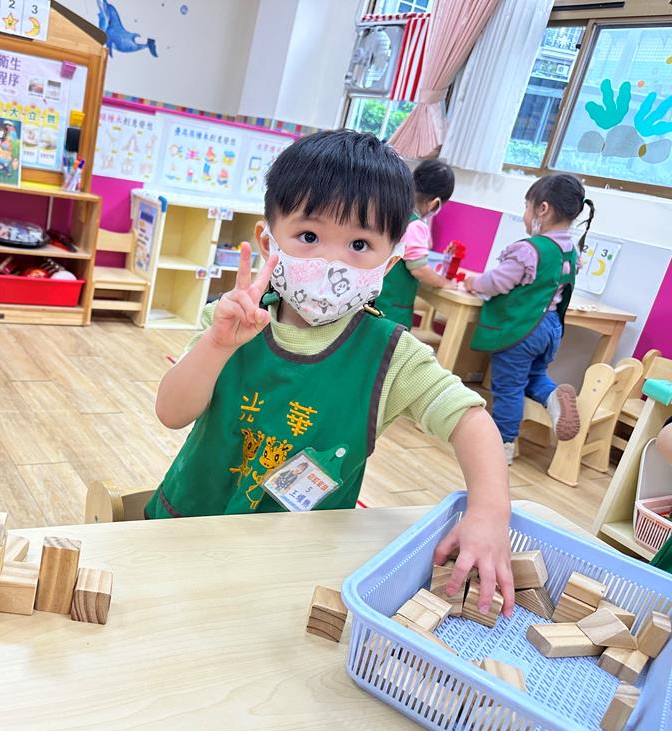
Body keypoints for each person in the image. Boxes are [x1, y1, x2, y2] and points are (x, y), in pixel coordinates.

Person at [148, 129, 515, 614]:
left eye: (360, 243)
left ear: (390, 262)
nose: (331, 261)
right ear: (268, 241)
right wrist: (215, 347)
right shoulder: (229, 320)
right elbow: (171, 413)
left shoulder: (392, 355)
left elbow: (471, 420)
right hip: (186, 532)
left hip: (294, 565)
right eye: (308, 237)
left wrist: (489, 513)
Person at [465, 174, 594, 465]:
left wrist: (475, 283)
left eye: (527, 206)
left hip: (522, 330)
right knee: (534, 377)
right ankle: (553, 399)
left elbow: (499, 282)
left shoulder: (530, 249)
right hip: (551, 329)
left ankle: (503, 444)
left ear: (542, 209)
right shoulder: (570, 252)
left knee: (508, 387)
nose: (525, 214)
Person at [377, 158, 456, 328]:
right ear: (435, 203)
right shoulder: (415, 225)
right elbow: (420, 269)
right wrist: (445, 283)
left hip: (374, 300)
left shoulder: (391, 212)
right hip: (391, 309)